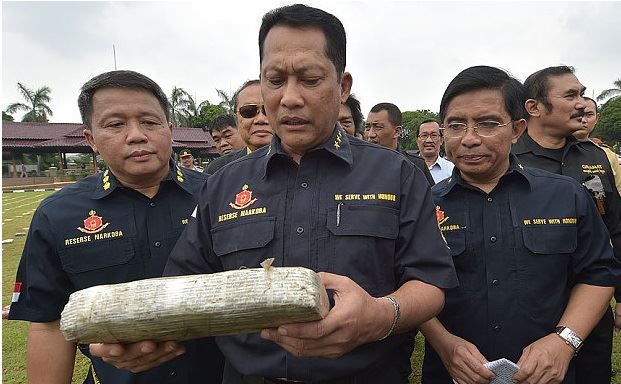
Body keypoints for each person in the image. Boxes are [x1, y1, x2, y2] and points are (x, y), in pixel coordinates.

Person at [91, 5, 457, 383]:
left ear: (343, 85)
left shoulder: (395, 174)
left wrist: (382, 315)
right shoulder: (223, 184)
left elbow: (430, 283)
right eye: (275, 80)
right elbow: (184, 284)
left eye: (310, 79)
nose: (290, 98)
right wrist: (141, 332)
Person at [8, 70, 223, 384]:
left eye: (150, 122)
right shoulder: (58, 215)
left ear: (170, 130)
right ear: (91, 139)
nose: (136, 135)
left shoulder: (219, 196)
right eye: (115, 124)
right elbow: (48, 323)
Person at [421, 65, 620, 384]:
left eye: (487, 124)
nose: (470, 139)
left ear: (516, 130)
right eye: (456, 125)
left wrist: (563, 341)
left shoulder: (564, 194)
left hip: (547, 375)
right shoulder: (423, 206)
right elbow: (410, 281)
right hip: (454, 375)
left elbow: (598, 273)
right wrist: (445, 344)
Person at [513, 65, 621, 384]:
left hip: (593, 306)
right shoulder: (508, 158)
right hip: (531, 308)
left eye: (583, 94)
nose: (581, 104)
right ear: (534, 107)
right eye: (571, 95)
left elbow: (615, 226)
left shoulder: (596, 157)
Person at [205, 80, 274, 175]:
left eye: (269, 110)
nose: (260, 119)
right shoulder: (217, 171)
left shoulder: (299, 164)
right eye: (248, 112)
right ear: (237, 120)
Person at [366, 102, 436, 185]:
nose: (370, 134)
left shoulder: (415, 167)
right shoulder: (358, 164)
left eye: (378, 127)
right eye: (367, 127)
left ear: (397, 131)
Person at [573, 96, 621, 195]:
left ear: (597, 118)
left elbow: (618, 192)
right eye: (577, 114)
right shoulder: (551, 150)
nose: (583, 120)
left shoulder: (608, 155)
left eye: (589, 114)